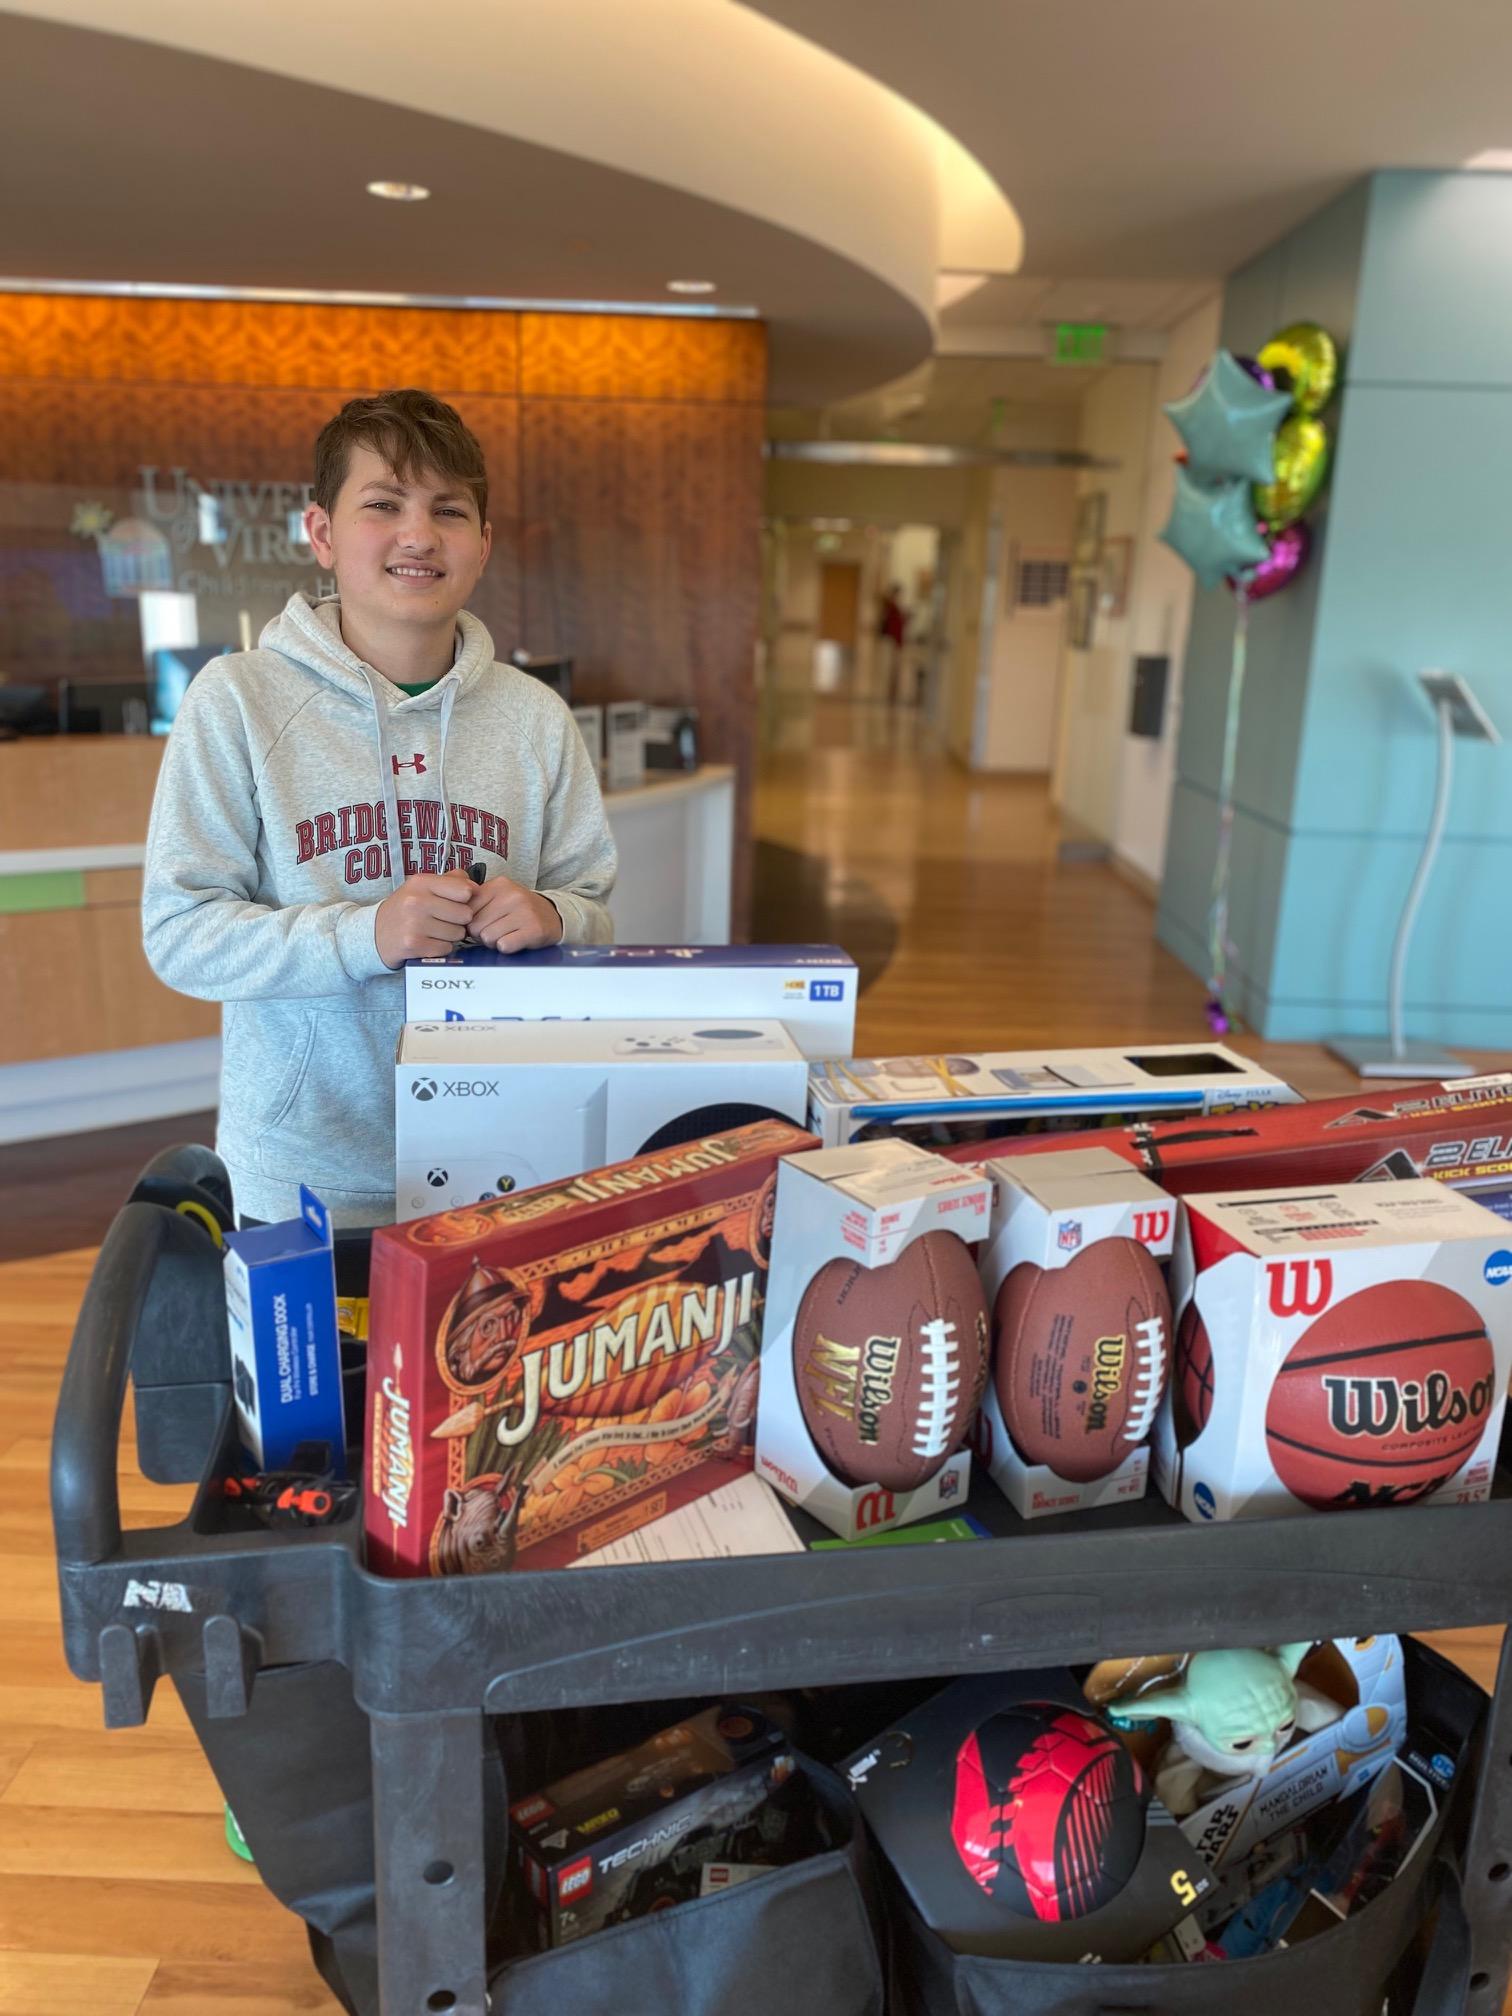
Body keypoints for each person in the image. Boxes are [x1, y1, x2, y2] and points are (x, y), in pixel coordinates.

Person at [143, 389, 617, 1228]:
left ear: (483, 544)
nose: (418, 534)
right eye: (384, 505)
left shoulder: (536, 717)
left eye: (448, 510)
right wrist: (364, 936)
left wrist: (552, 916)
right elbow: (181, 934)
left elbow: (595, 910)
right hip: (304, 1176)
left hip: (504, 1158)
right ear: (321, 533)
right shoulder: (237, 700)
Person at [877, 581, 907, 706]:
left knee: (894, 665)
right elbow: (890, 623)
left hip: (895, 639)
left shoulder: (894, 606)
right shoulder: (890, 606)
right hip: (891, 638)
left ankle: (892, 689)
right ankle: (888, 690)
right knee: (889, 664)